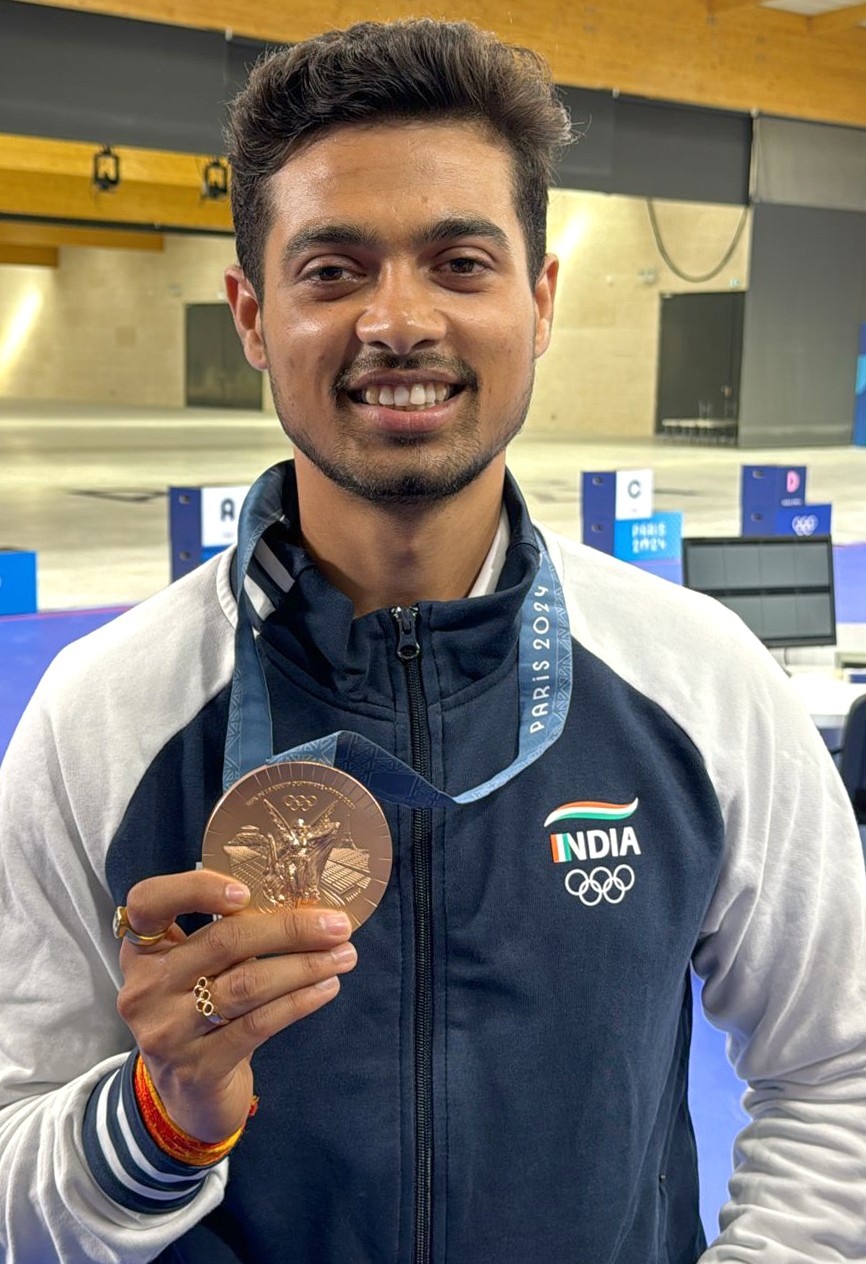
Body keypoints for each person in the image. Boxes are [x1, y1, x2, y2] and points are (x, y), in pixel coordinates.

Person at [0, 18, 864, 1264]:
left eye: (458, 263)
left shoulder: (699, 681)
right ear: (251, 314)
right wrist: (155, 1123)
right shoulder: (105, 716)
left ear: (540, 298)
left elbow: (835, 1064)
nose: (396, 321)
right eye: (332, 270)